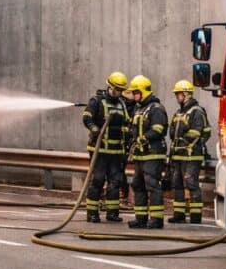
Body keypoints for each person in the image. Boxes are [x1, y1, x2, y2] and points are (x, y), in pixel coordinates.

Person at [81, 72, 130, 223]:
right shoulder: (96, 101)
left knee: (115, 182)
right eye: (116, 89)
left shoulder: (121, 103)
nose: (119, 93)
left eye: (121, 90)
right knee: (97, 180)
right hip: (100, 151)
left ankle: (112, 213)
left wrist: (127, 132)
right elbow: (86, 117)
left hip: (116, 152)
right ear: (109, 86)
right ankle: (92, 213)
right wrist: (94, 128)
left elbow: (127, 121)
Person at [127, 75, 168, 229]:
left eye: (135, 92)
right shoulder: (139, 108)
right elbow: (133, 128)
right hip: (140, 154)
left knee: (152, 185)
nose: (134, 95)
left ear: (143, 91)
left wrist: (144, 138)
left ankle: (156, 219)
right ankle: (141, 218)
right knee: (138, 184)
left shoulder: (156, 108)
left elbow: (158, 129)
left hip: (153, 153)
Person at [167, 80, 208, 224]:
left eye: (178, 94)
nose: (177, 97)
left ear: (186, 94)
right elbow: (172, 131)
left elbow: (198, 131)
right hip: (178, 154)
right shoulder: (179, 112)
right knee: (177, 183)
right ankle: (179, 215)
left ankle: (196, 216)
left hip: (191, 154)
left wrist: (183, 140)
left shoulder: (196, 111)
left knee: (191, 183)